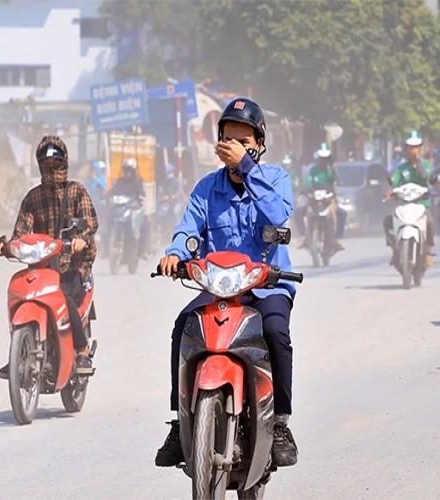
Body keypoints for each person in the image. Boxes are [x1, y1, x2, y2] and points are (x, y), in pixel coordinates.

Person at [154, 97, 299, 468]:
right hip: (218, 288)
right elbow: (188, 231)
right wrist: (176, 254)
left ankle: (280, 421)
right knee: (182, 328)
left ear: (259, 144)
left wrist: (247, 169)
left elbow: (279, 214)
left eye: (244, 142)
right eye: (228, 141)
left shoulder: (276, 179)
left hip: (265, 288)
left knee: (276, 334)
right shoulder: (206, 188)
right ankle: (179, 420)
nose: (235, 148)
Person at [0, 135, 98, 377]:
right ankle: (19, 352)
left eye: (56, 164)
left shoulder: (76, 191)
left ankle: (81, 350)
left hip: (73, 264)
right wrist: (5, 246)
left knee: (64, 294)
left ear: (64, 163)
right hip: (42, 267)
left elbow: (90, 224)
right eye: (46, 165)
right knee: (21, 291)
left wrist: (80, 239)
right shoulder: (33, 198)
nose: (51, 170)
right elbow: (20, 232)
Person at [384, 130, 437, 267]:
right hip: (405, 205)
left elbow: (428, 179)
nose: (413, 150)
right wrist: (390, 191)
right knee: (388, 220)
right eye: (410, 147)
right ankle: (395, 251)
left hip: (422, 204)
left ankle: (427, 253)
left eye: (416, 147)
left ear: (420, 148)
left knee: (430, 221)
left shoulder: (426, 165)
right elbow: (394, 181)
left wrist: (418, 163)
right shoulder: (401, 168)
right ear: (406, 149)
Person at [303, 142, 345, 252]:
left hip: (329, 198)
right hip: (315, 198)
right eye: (322, 158)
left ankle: (336, 239)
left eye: (326, 158)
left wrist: (332, 166)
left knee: (341, 213)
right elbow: (308, 183)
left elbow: (336, 180)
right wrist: (307, 191)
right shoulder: (313, 170)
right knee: (300, 211)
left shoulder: (331, 170)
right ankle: (306, 236)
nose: (323, 160)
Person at [108, 157, 150, 258]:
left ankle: (142, 250)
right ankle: (106, 247)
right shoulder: (119, 181)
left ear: (134, 170)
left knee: (145, 224)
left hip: (134, 208)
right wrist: (108, 196)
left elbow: (142, 193)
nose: (127, 172)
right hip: (121, 208)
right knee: (108, 217)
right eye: (125, 170)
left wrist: (140, 197)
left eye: (129, 170)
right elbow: (112, 191)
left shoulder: (138, 181)